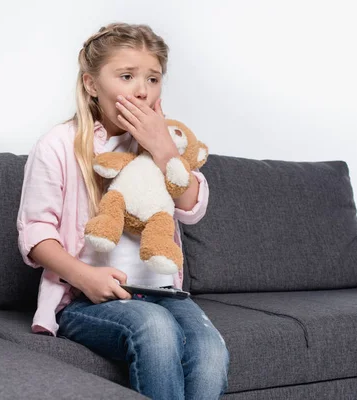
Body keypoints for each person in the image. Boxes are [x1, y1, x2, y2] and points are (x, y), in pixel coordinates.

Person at [16, 22, 229, 400]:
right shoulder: (59, 145)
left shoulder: (165, 144)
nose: (142, 90)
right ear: (91, 84)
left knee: (210, 350)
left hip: (163, 291)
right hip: (85, 298)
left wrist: (162, 146)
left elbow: (192, 208)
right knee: (155, 330)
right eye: (127, 76)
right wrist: (85, 277)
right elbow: (35, 234)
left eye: (153, 79)